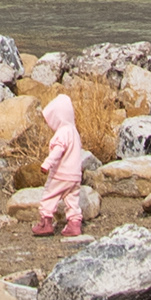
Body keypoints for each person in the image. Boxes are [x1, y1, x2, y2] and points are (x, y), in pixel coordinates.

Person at [32, 93, 91, 240]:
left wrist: (47, 164)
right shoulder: (74, 132)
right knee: (72, 200)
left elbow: (58, 150)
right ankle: (74, 224)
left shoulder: (62, 132)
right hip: (74, 176)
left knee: (49, 196)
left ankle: (45, 222)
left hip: (61, 174)